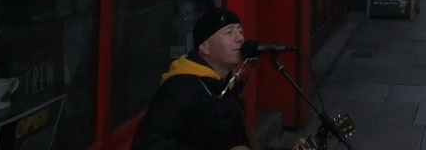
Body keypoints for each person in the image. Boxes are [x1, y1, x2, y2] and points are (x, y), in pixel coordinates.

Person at [132, 8, 311, 150]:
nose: (240, 38)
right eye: (229, 32)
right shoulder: (179, 89)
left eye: (240, 31)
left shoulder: (229, 87)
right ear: (205, 47)